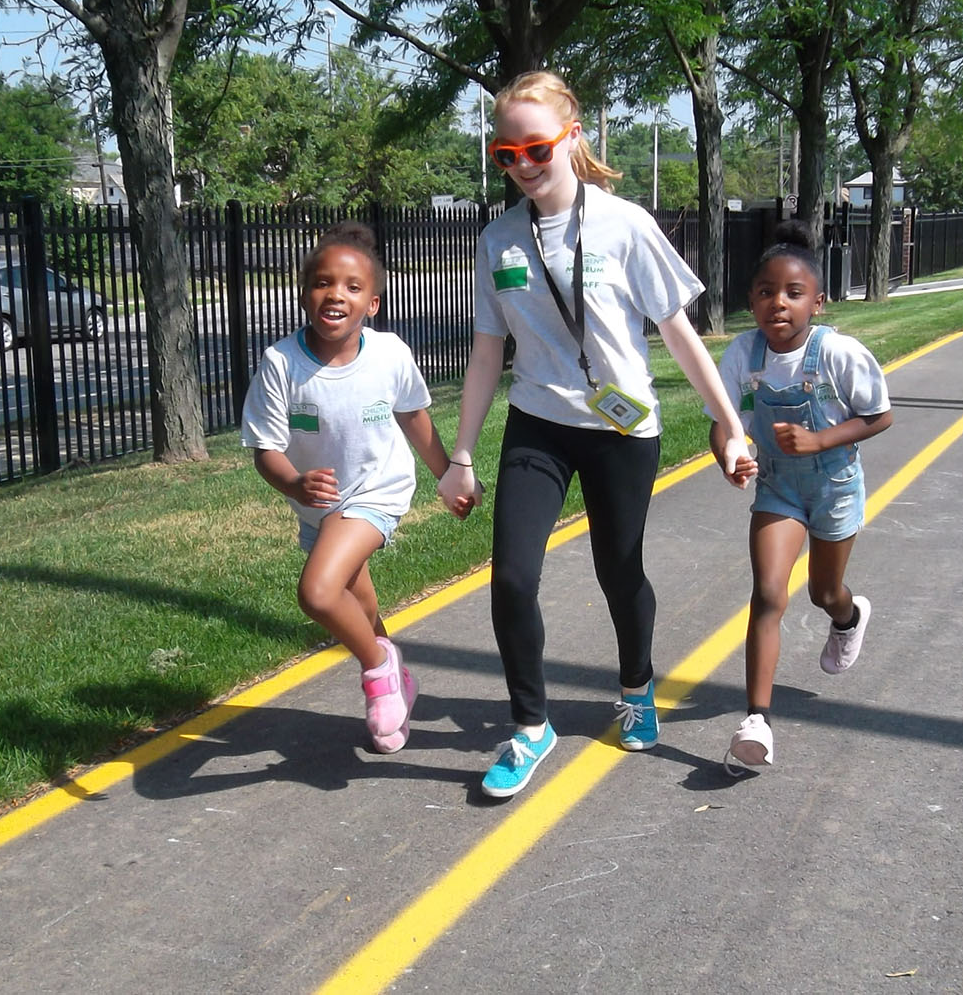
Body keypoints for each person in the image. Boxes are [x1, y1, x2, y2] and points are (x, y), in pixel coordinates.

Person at [436, 71, 751, 799]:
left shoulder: (625, 224)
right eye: (504, 152)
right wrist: (459, 454)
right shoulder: (498, 239)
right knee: (512, 575)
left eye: (535, 147)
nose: (521, 165)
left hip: (621, 428)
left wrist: (729, 426)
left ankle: (636, 684)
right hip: (538, 425)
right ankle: (530, 725)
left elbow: (680, 334)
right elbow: (489, 351)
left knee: (619, 570)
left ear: (572, 139)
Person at [241, 222, 470, 754]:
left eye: (352, 286)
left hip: (378, 489)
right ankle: (396, 673)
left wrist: (447, 475)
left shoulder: (389, 354)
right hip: (320, 505)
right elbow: (265, 450)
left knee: (318, 592)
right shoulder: (281, 364)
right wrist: (294, 483)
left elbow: (413, 418)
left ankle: (378, 671)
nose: (335, 294)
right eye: (323, 282)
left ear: (372, 303)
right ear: (303, 293)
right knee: (358, 608)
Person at [711, 222, 892, 773]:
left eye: (793, 293)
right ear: (751, 299)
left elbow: (879, 415)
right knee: (769, 594)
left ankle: (847, 615)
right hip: (778, 488)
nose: (778, 304)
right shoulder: (743, 354)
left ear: (818, 300)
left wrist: (819, 438)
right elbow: (724, 423)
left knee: (823, 592)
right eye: (766, 292)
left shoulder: (838, 351)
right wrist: (729, 454)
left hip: (834, 485)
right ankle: (756, 722)